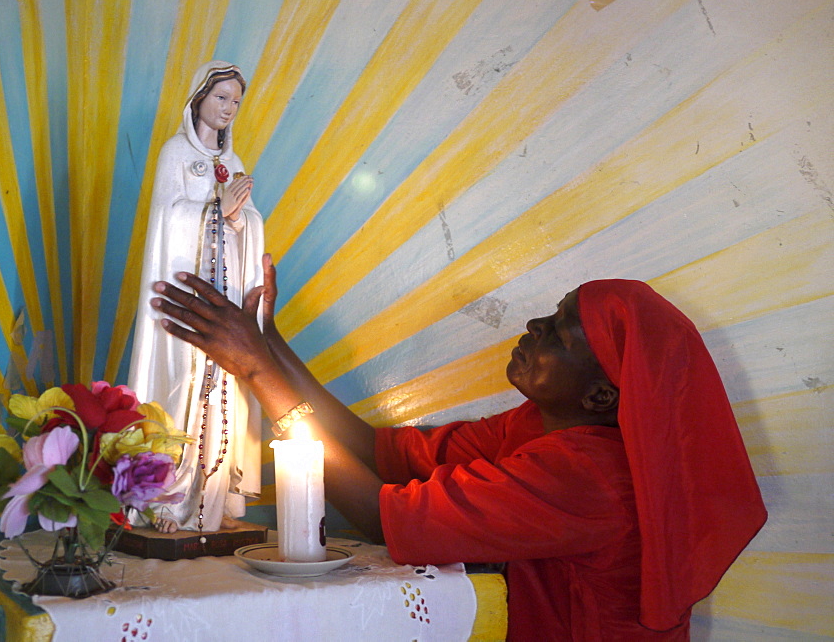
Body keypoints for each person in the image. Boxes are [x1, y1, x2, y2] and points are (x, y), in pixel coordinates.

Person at [149, 256, 766, 640]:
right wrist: (270, 344)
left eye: (558, 334)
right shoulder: (536, 425)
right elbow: (377, 453)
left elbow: (383, 513)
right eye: (547, 315)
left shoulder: (590, 477)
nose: (534, 328)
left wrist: (258, 374)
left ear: (603, 398)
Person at [127, 61, 265, 534]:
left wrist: (240, 220)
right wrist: (215, 209)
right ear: (199, 99)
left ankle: (213, 496)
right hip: (188, 296)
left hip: (222, 296)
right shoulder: (174, 153)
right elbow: (167, 218)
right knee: (183, 387)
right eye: (221, 98)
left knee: (224, 390)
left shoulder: (235, 162)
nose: (228, 109)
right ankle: (169, 499)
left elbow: (247, 222)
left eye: (236, 102)